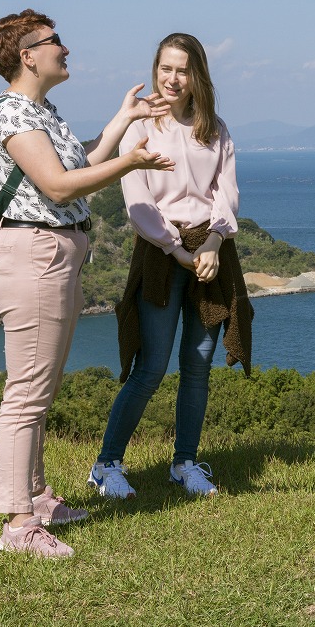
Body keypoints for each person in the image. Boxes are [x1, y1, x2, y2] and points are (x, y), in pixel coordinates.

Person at [0, 9, 174, 558]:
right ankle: (18, 525)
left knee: (40, 389)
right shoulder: (13, 113)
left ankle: (37, 498)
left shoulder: (40, 111)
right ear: (27, 55)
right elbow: (60, 187)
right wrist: (132, 162)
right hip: (33, 255)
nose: (65, 49)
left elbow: (79, 162)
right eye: (55, 41)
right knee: (26, 396)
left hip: (55, 255)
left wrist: (122, 122)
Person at [88, 32, 252, 500]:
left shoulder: (215, 128)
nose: (173, 78)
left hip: (210, 250)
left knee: (198, 363)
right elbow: (136, 201)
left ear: (197, 74)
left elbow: (227, 193)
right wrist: (176, 249)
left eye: (183, 69)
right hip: (161, 252)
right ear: (155, 69)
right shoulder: (142, 126)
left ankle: (184, 463)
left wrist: (215, 242)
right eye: (165, 68)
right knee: (152, 366)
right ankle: (106, 465)